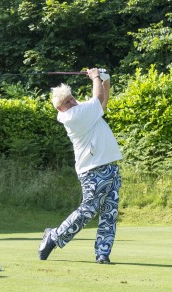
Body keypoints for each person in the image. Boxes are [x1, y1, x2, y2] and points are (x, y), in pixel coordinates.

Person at [38, 68, 122, 264]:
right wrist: (94, 77)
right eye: (66, 102)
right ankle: (54, 236)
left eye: (71, 98)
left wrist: (104, 78)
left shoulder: (84, 110)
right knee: (88, 210)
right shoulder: (73, 116)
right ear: (60, 109)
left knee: (110, 212)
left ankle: (103, 252)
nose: (71, 102)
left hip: (110, 167)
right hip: (92, 171)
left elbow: (102, 101)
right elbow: (98, 97)